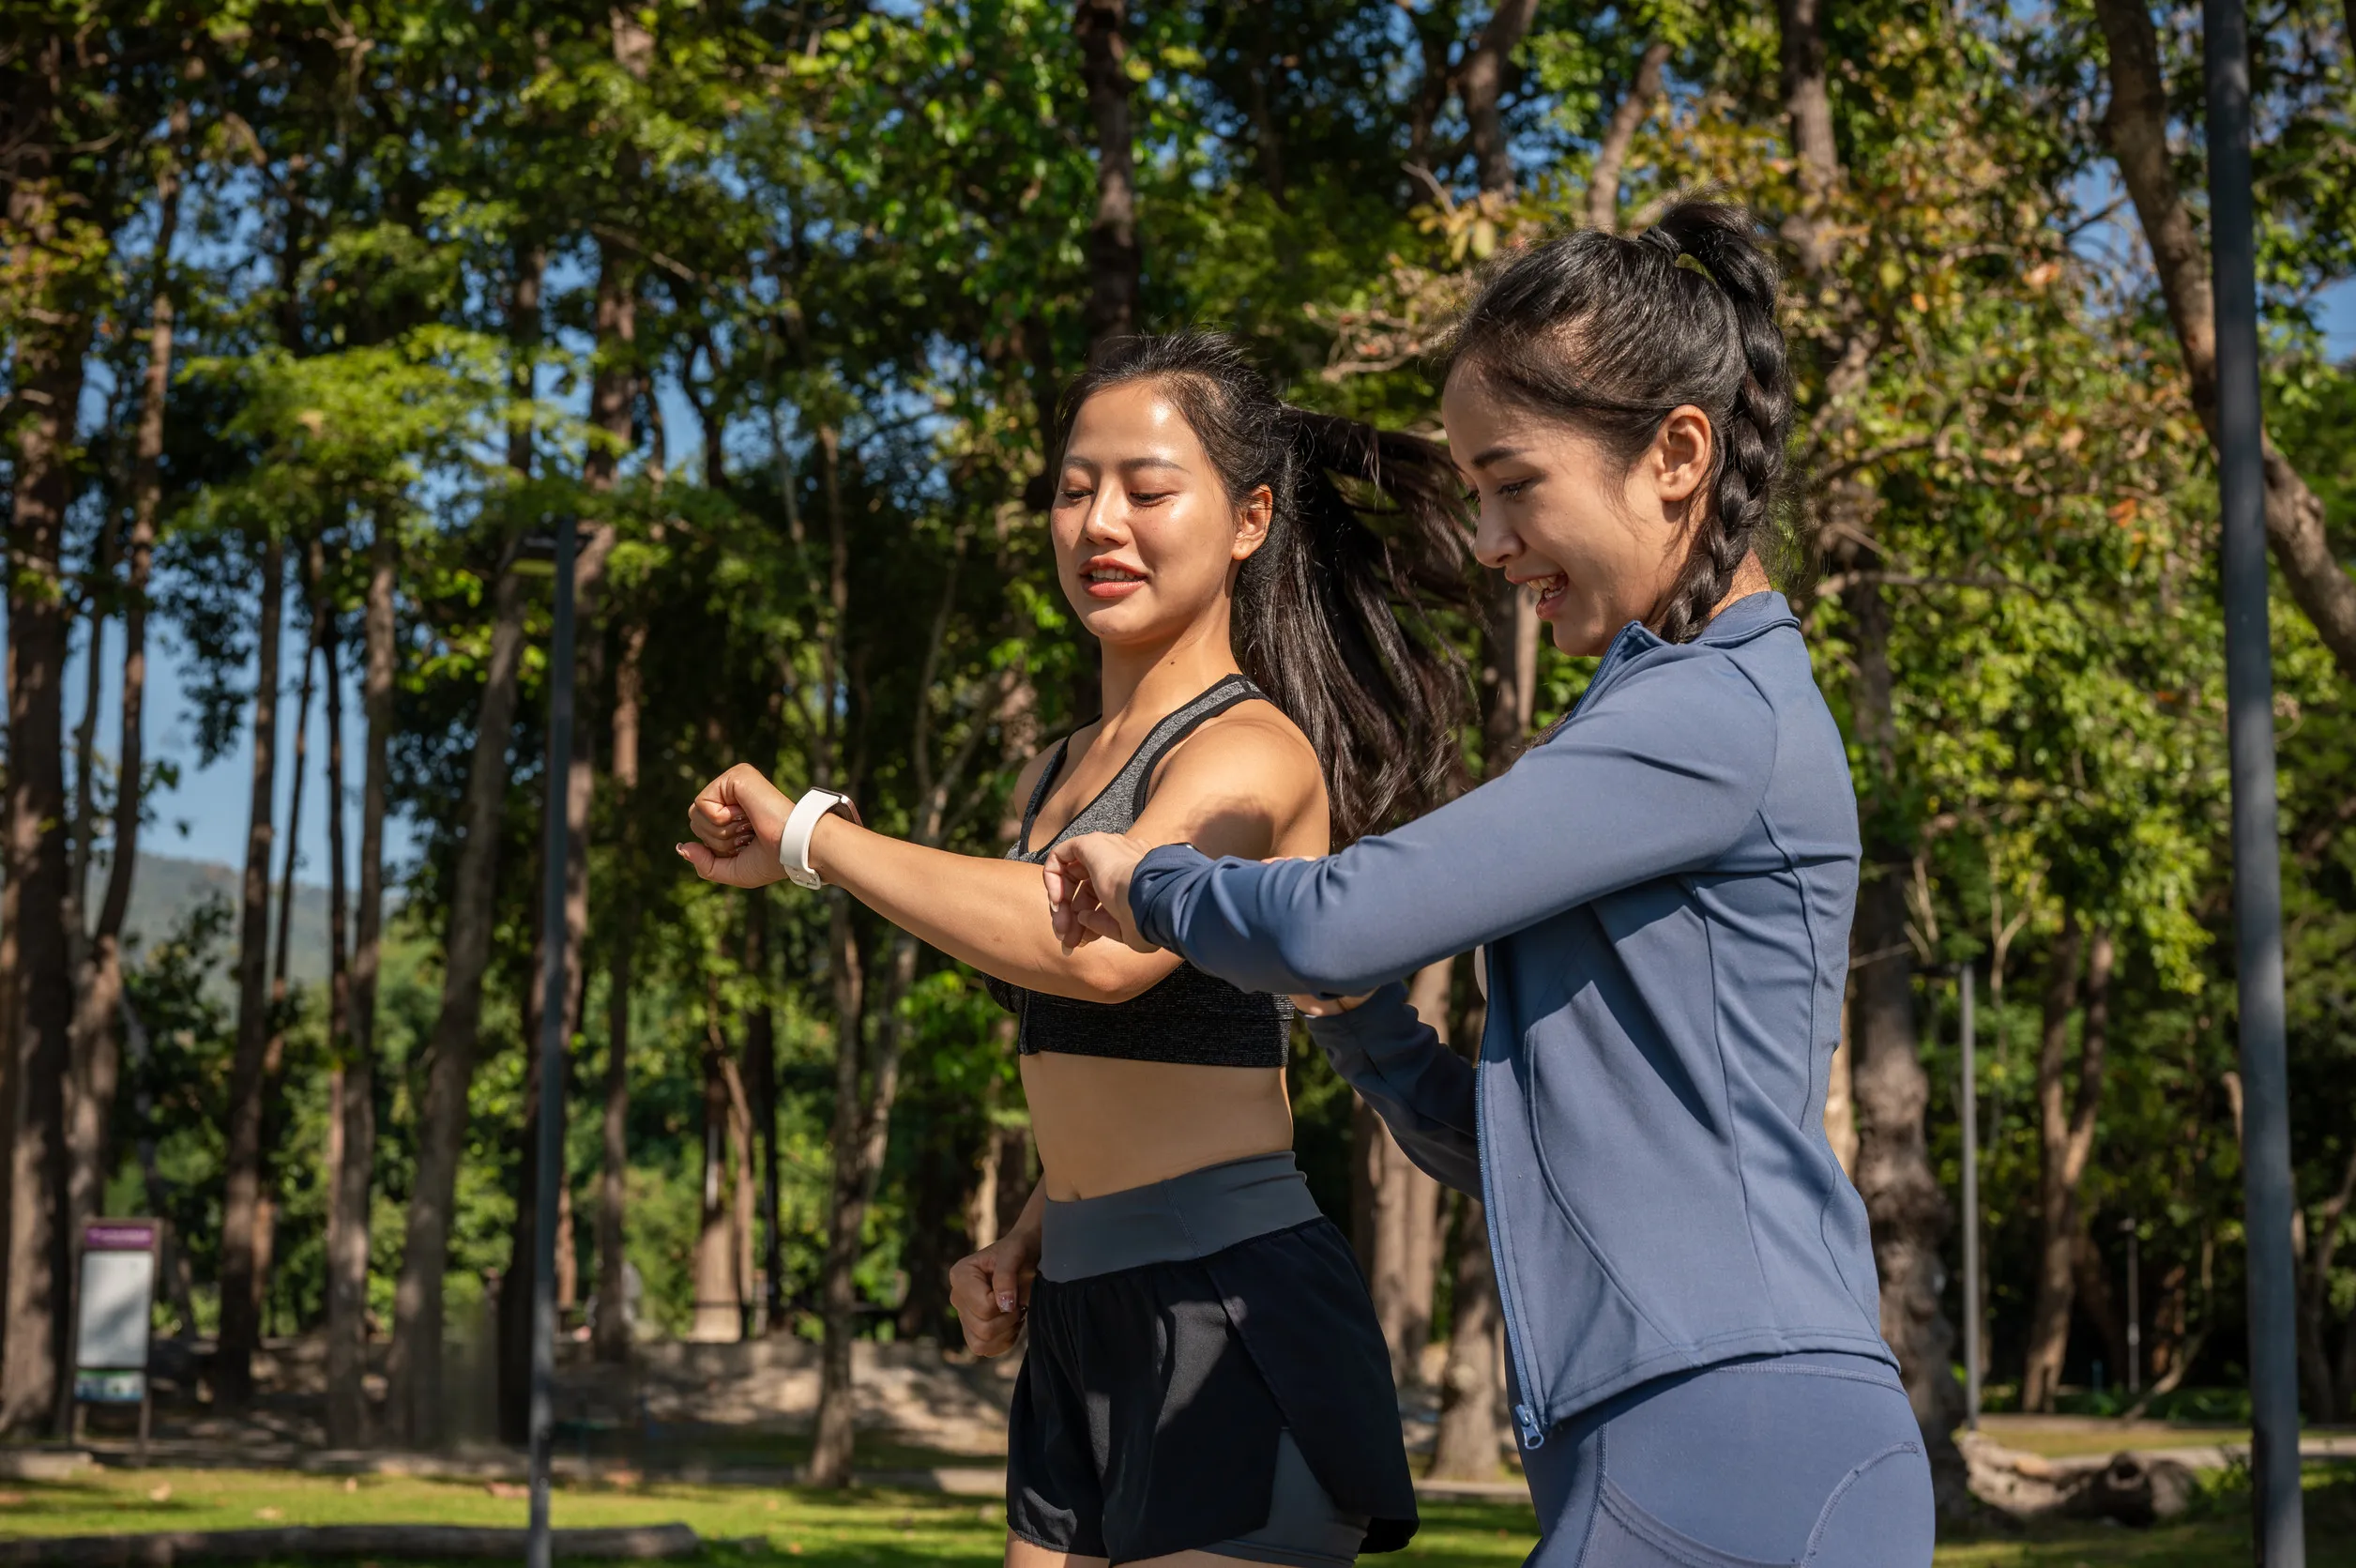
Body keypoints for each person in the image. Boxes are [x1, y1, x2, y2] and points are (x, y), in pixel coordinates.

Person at [1042, 204, 1939, 1567]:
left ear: (1676, 455)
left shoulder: (1712, 714)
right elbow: (1517, 1148)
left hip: (1727, 1431)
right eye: (1471, 491)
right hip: (1675, 1432)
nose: (1487, 536)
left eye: (1512, 482)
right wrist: (1367, 1032)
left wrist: (1151, 879)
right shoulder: (1662, 720)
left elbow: (1349, 909)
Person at [676, 330, 1473, 1568]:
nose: (1101, 521)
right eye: (1072, 487)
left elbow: (1100, 956)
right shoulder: (1051, 769)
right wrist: (1034, 1232)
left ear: (1249, 518)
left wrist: (815, 839)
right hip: (1079, 1311)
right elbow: (1119, 1041)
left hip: (1232, 1306)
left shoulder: (1249, 751)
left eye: (1148, 491)